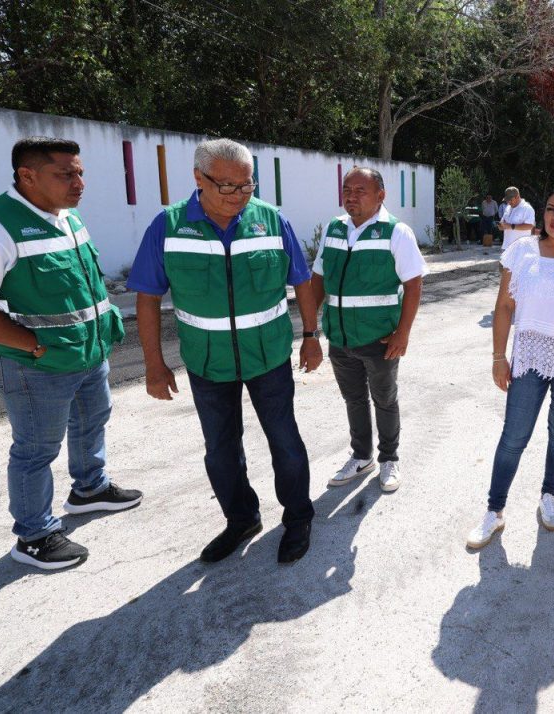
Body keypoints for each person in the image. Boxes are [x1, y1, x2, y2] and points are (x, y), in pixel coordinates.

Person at [0, 137, 141, 570]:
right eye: (66, 174)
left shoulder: (65, 216)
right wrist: (32, 344)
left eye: (80, 172)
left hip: (85, 354)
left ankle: (89, 490)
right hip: (34, 364)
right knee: (35, 450)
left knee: (92, 422)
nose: (78, 182)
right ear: (27, 176)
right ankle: (34, 535)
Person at [128, 138, 318, 565]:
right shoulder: (168, 225)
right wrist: (154, 365)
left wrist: (310, 335)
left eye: (246, 186)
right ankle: (241, 519)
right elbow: (146, 297)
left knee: (284, 440)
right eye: (226, 186)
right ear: (199, 178)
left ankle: (299, 516)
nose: (237, 196)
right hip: (207, 362)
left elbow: (301, 279)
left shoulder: (270, 220)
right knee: (220, 448)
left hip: (268, 356)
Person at [467, 185, 554, 548]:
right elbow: (504, 308)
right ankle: (494, 510)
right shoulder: (521, 252)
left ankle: (549, 496)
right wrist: (499, 358)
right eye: (550, 208)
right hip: (530, 356)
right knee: (513, 437)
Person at [311, 167, 427, 493]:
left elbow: (414, 284)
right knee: (354, 399)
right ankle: (361, 456)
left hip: (380, 338)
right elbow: (318, 279)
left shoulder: (396, 232)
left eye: (361, 190)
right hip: (340, 335)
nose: (351, 196)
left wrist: (403, 333)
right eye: (347, 189)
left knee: (385, 399)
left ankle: (389, 458)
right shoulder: (333, 229)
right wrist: (310, 330)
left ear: (380, 195)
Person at [498, 186, 535, 252]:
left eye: (511, 200)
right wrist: (501, 226)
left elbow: (530, 226)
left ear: (517, 196)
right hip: (507, 247)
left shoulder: (527, 208)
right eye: (507, 200)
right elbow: (503, 222)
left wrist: (511, 226)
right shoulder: (508, 207)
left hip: (521, 249)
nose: (509, 202)